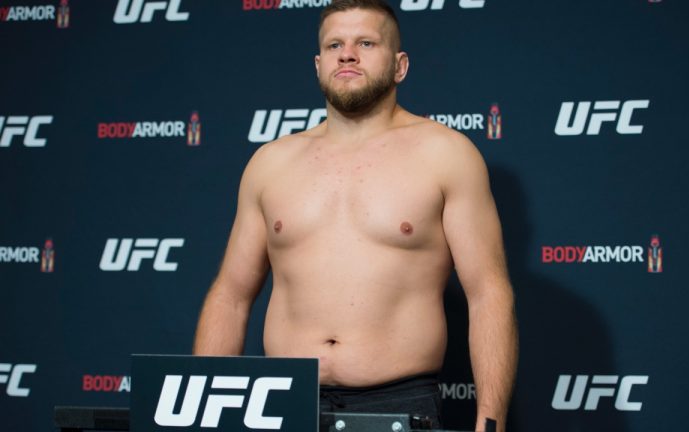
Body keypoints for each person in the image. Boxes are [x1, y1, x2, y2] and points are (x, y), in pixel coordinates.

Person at [193, 0, 517, 429]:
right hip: (281, 403)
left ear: (400, 66)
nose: (347, 54)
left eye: (366, 42)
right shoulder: (270, 163)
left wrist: (489, 424)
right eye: (334, 45)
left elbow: (488, 293)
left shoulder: (446, 155)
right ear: (318, 64)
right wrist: (198, 414)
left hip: (398, 404)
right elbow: (231, 296)